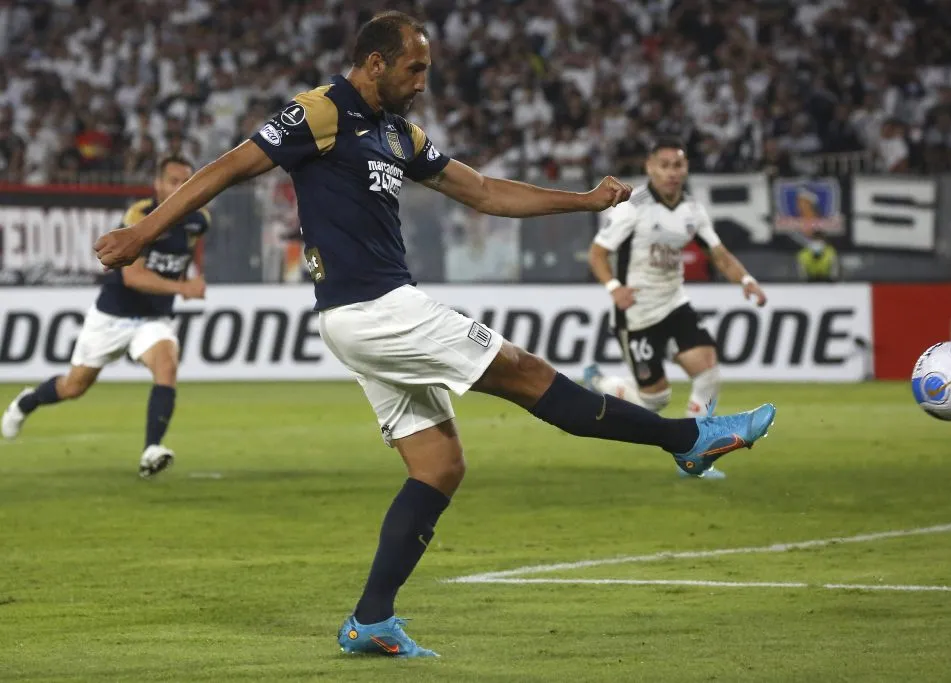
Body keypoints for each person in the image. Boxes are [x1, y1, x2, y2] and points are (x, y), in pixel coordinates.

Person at [92, 12, 776, 658]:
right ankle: (689, 439)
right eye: (413, 70)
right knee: (530, 374)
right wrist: (142, 232)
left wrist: (583, 201)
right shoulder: (322, 110)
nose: (422, 84)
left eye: (427, 71)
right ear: (374, 63)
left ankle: (371, 619)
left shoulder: (397, 133)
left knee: (439, 466)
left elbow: (481, 191)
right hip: (376, 307)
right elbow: (227, 167)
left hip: (368, 314)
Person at [2, 156, 208, 478]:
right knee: (74, 386)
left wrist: (188, 280)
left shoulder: (199, 220)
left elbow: (181, 256)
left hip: (153, 319)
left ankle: (151, 451)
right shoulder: (139, 217)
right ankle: (28, 401)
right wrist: (183, 288)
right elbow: (133, 278)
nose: (181, 188)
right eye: (173, 181)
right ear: (157, 184)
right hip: (113, 315)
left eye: (186, 181)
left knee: (167, 365)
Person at [583, 139, 768, 481]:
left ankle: (695, 451)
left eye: (678, 165)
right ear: (650, 167)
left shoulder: (693, 210)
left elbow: (720, 254)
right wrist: (614, 288)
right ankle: (605, 383)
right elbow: (597, 253)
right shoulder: (632, 206)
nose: (671, 172)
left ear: (686, 169)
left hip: (674, 303)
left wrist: (746, 281)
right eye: (664, 165)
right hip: (636, 313)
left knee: (708, 370)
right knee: (656, 400)